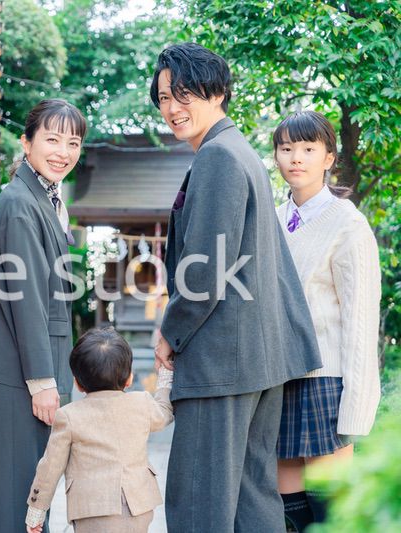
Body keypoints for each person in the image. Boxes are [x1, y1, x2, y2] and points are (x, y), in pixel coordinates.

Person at [149, 43, 322, 532]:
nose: (172, 106)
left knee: (200, 502)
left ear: (219, 92)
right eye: (163, 96)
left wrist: (171, 332)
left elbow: (205, 270)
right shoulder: (236, 149)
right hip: (255, 359)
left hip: (223, 361)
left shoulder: (219, 156)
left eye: (185, 92)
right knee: (251, 499)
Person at [0, 98, 86, 532]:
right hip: (15, 368)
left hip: (15, 364)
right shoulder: (19, 203)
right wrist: (42, 381)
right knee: (20, 490)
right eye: (51, 139)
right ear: (26, 143)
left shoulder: (41, 197)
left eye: (73, 142)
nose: (63, 152)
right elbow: (26, 297)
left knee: (17, 489)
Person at [272, 111, 381, 531]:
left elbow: (360, 321)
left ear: (329, 157)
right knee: (288, 514)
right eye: (286, 149)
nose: (296, 158)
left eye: (308, 149)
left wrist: (355, 408)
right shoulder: (273, 220)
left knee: (331, 514)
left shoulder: (348, 224)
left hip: (325, 380)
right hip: (280, 378)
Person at [23, 328, 174, 533]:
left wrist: (36, 510)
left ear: (78, 383)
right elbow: (165, 413)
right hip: (138, 504)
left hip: (91, 509)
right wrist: (165, 377)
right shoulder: (142, 404)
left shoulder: (69, 416)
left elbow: (50, 467)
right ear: (129, 378)